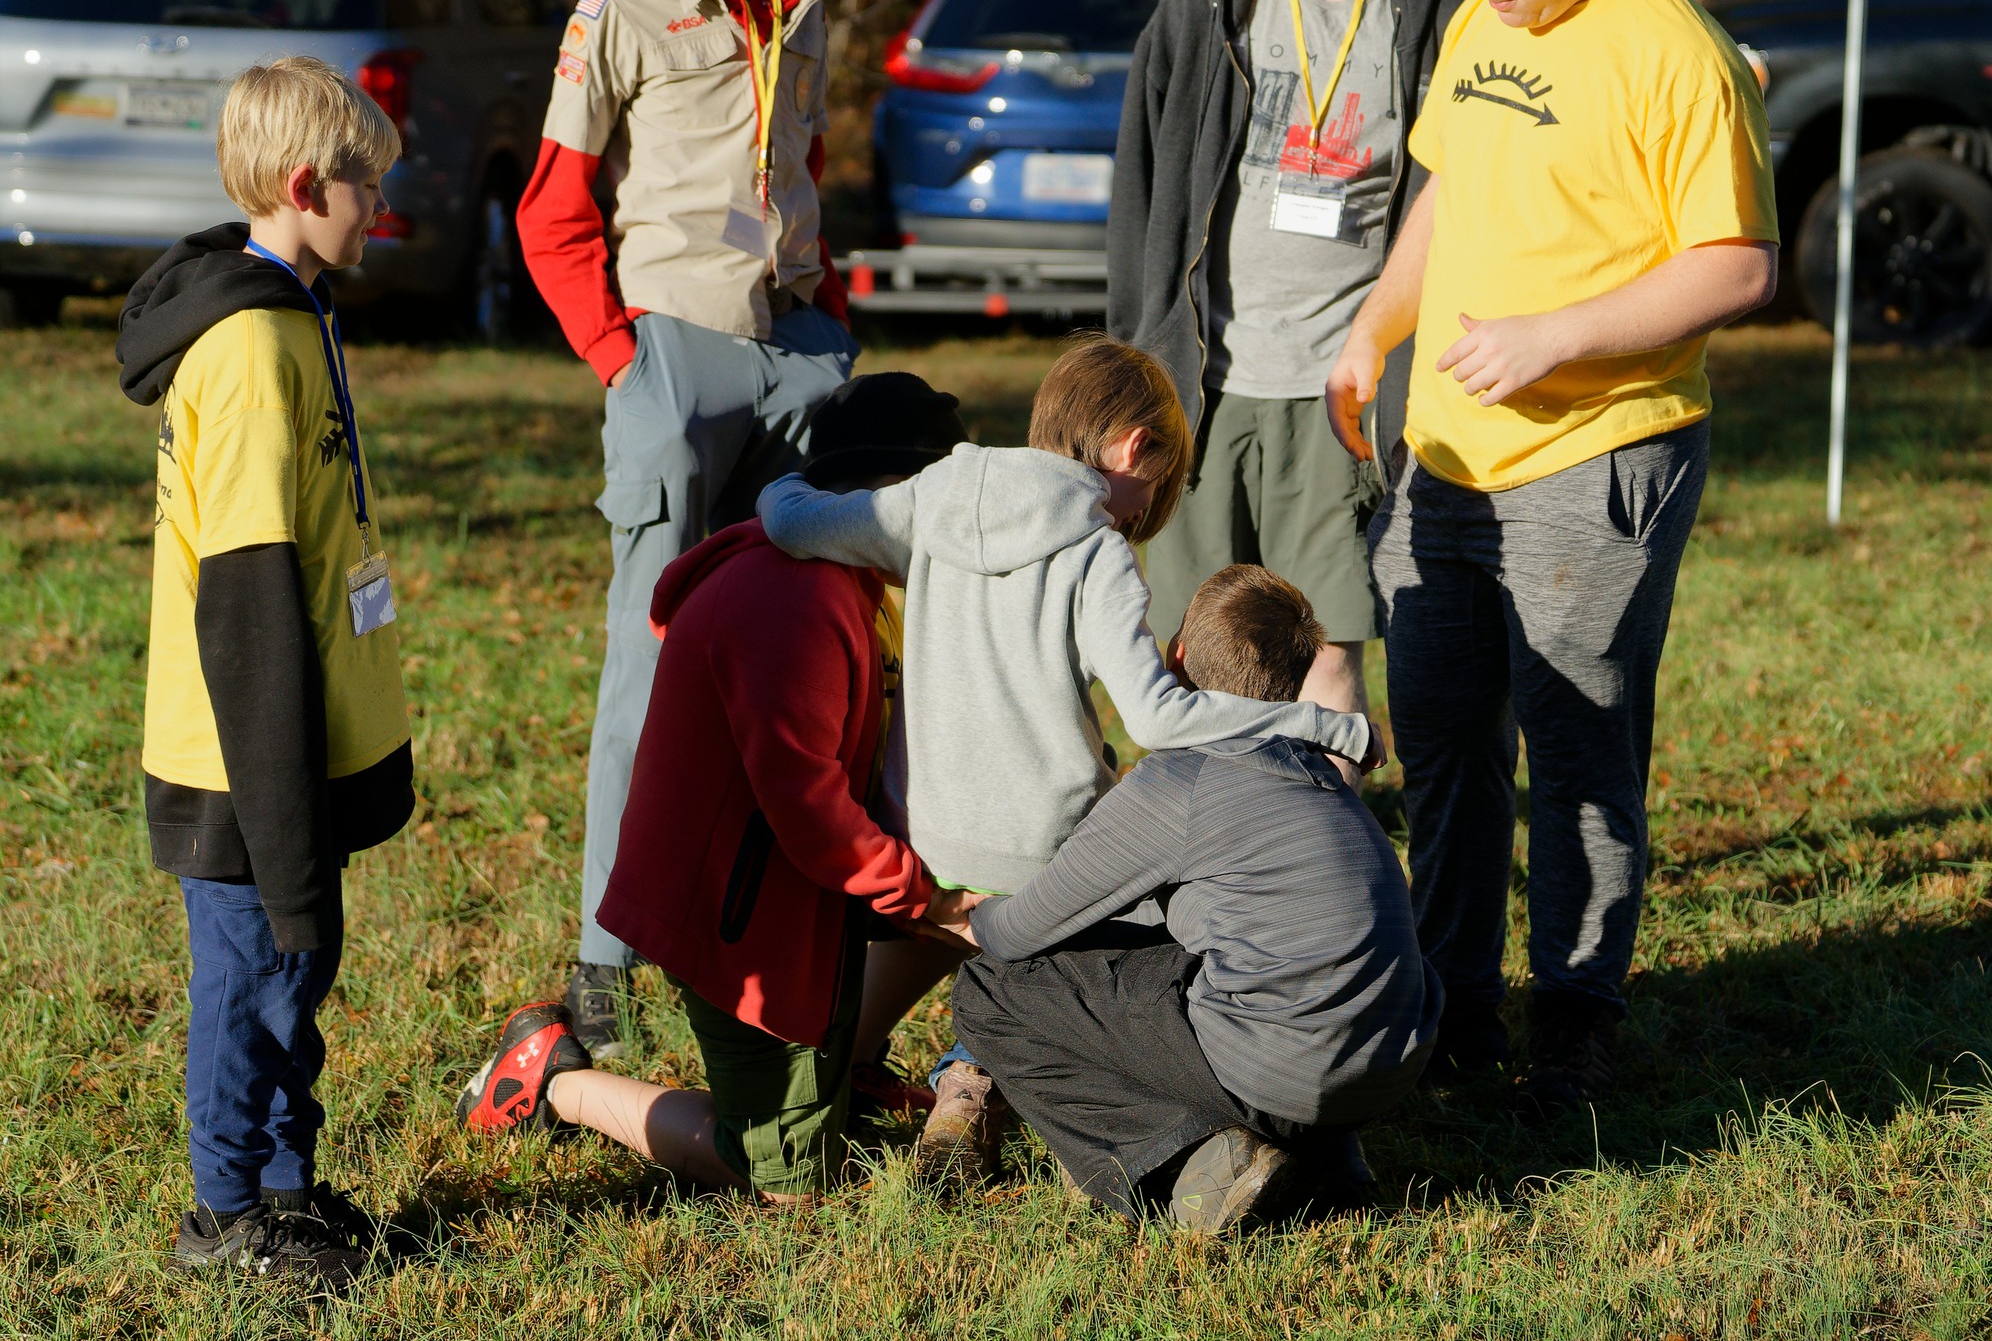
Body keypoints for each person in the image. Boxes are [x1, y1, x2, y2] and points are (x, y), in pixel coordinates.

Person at [1322, 0, 1778, 1114]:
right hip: (1446, 457)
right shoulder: (1480, 20)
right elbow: (1450, 188)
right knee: (1447, 740)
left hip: (1596, 453)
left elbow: (1739, 265)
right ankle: (1451, 1009)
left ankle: (1574, 1026)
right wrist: (1372, 329)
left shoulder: (1669, 49)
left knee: (1576, 747)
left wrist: (1556, 338)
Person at [755, 336, 1383, 1179]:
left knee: (955, 928)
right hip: (1051, 855)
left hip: (928, 838)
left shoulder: (932, 499)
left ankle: (834, 1083)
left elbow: (792, 524)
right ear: (1132, 448)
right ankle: (984, 1083)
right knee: (1162, 942)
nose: (1134, 517)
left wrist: (776, 475)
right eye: (1146, 496)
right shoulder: (1096, 553)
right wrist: (1317, 726)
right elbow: (1158, 718)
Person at [517, 0, 855, 1055]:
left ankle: (778, 925)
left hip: (795, 356)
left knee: (802, 660)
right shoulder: (621, 10)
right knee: (648, 670)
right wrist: (623, 364)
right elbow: (551, 208)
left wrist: (830, 323)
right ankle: (606, 958)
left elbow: (805, 162)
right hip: (671, 360)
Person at [459, 374, 980, 1203]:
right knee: (787, 1183)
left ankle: (846, 1065)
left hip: (801, 893)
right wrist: (936, 901)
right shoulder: (794, 601)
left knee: (974, 880)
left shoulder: (860, 579)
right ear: (892, 495)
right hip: (741, 920)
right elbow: (811, 814)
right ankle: (551, 1078)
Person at [114, 57, 416, 1286]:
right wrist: (282, 796)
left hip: (304, 735)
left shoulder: (296, 310)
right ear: (305, 186)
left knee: (300, 971)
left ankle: (287, 1189)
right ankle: (224, 1214)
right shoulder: (246, 350)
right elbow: (244, 602)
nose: (381, 211)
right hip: (248, 748)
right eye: (369, 188)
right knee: (249, 982)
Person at [1106, 0, 1466, 719]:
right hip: (1207, 388)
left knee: (1328, 657)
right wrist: (1136, 366)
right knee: (1191, 658)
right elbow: (1143, 194)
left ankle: (1325, 857)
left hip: (1340, 389)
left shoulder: (1432, 13)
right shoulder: (1205, 1)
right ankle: (1208, 856)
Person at [948, 564, 1440, 1234]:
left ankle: (1186, 1169)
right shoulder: (1321, 777)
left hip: (1283, 1069)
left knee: (991, 989)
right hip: (1392, 1061)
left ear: (1176, 656)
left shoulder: (1183, 780)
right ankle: (1323, 1156)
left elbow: (1015, 936)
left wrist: (965, 913)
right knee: (1184, 964)